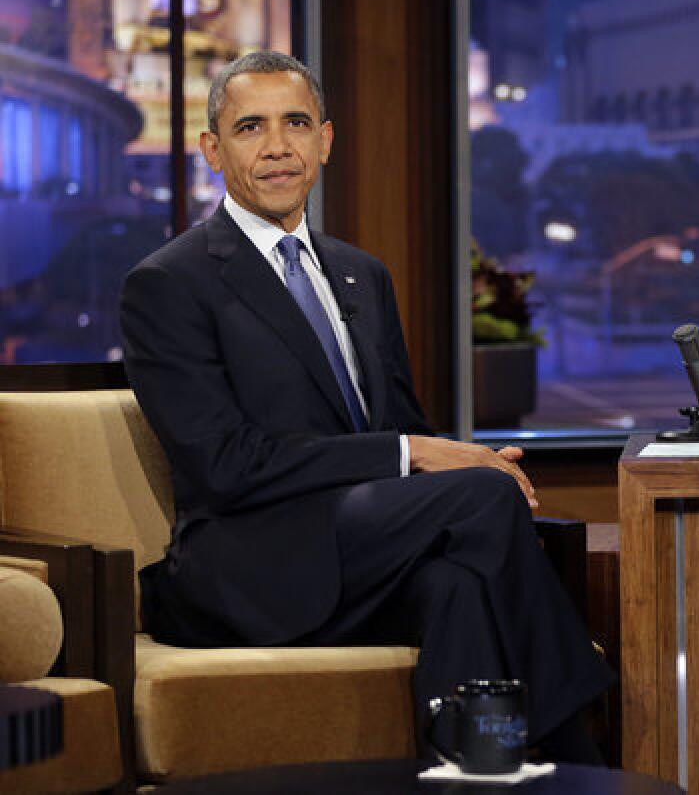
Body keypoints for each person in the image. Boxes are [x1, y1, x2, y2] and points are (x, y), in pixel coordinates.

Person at [120, 51, 611, 762]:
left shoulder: (360, 274)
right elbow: (224, 467)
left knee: (456, 585)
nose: (278, 146)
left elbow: (401, 425)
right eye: (251, 127)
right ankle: (579, 750)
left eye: (295, 123)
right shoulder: (169, 283)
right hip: (251, 557)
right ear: (212, 151)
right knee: (481, 499)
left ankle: (476, 772)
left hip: (365, 546)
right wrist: (427, 459)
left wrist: (446, 457)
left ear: (326, 139)